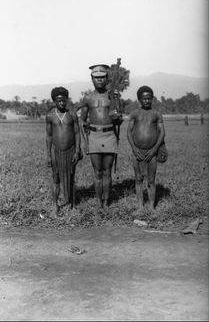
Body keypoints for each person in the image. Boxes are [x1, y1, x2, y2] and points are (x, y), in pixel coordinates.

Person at [80, 64, 123, 208]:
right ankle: (99, 202)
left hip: (109, 135)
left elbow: (119, 120)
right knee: (97, 171)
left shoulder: (113, 96)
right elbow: (82, 120)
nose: (99, 80)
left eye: (102, 77)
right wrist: (86, 138)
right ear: (92, 78)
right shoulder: (87, 98)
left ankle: (106, 202)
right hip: (94, 136)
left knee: (107, 171)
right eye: (96, 78)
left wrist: (118, 118)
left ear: (106, 78)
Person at [127, 86, 167, 209]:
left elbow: (162, 133)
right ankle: (140, 206)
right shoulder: (135, 114)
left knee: (151, 180)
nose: (147, 101)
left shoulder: (156, 114)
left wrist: (155, 149)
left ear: (152, 99)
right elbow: (129, 132)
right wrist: (134, 148)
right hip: (137, 152)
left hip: (152, 153)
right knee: (138, 179)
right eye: (144, 99)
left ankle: (151, 207)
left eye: (149, 98)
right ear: (139, 99)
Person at [46, 87, 81, 217]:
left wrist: (77, 150)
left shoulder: (72, 115)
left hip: (70, 151)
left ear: (67, 100)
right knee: (56, 178)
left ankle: (72, 204)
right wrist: (49, 155)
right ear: (54, 101)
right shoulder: (50, 116)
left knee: (71, 177)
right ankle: (55, 205)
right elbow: (49, 136)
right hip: (56, 152)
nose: (61, 103)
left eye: (63, 100)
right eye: (58, 101)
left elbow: (77, 133)